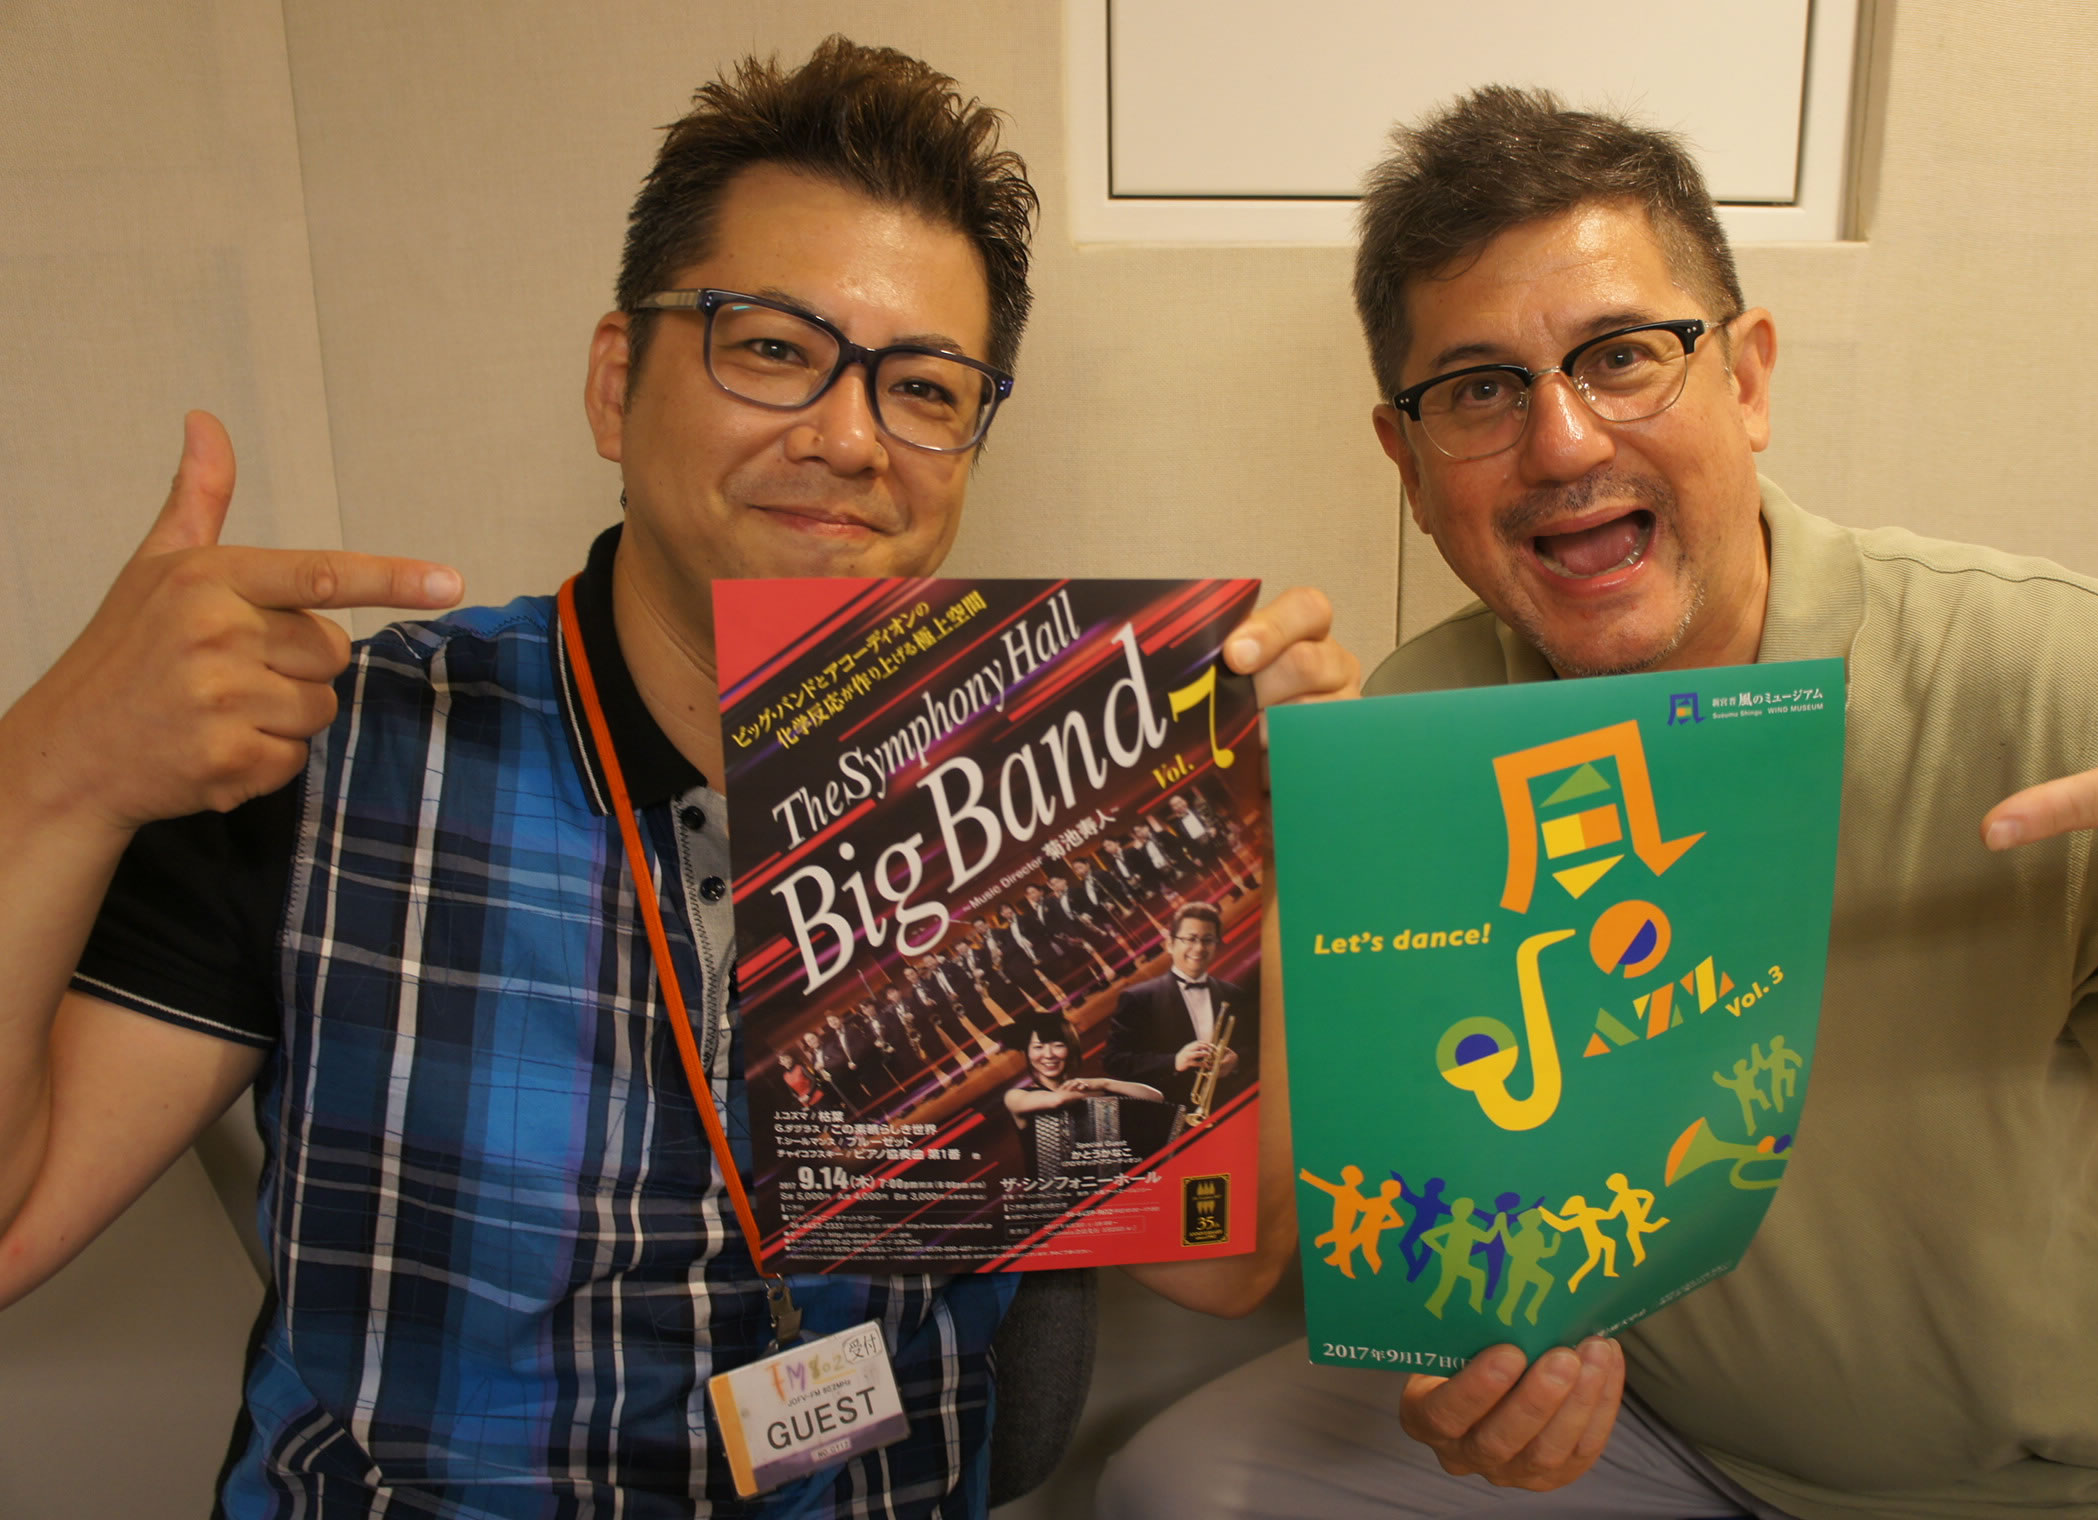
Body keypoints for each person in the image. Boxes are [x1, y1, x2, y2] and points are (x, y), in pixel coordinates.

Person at [0, 38, 1348, 1518]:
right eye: (770, 347)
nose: (848, 437)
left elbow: (1225, 1268)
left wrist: (1258, 856)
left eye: (922, 385)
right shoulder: (335, 748)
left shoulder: (1034, 781)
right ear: (615, 383)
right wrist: (56, 773)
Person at [1100, 85, 2098, 1519]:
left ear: (1748, 378)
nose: (1560, 442)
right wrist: (1471, 1372)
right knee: (1181, 1485)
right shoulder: (1412, 734)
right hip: (1652, 1433)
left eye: (1621, 357)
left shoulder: (2077, 688)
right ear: (1406, 464)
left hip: (2057, 1487)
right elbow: (1292, 1239)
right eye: (1478, 390)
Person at [1102, 902, 1255, 1107]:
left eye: (1207, 940)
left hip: (1234, 1105)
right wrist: (1173, 1061)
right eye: (1190, 939)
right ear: (1170, 944)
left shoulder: (1233, 994)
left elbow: (1259, 1046)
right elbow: (1114, 1061)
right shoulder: (1137, 998)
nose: (1199, 948)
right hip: (1175, 1111)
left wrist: (1237, 1061)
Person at [996, 1012, 1163, 1182]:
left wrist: (1105, 1083)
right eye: (1038, 1047)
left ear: (1070, 1048)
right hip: (1051, 1193)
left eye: (1058, 1045)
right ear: (1027, 1052)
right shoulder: (1016, 1096)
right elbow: (1056, 1100)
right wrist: (1090, 1092)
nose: (1049, 1054)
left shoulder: (1091, 1089)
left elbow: (1156, 1098)